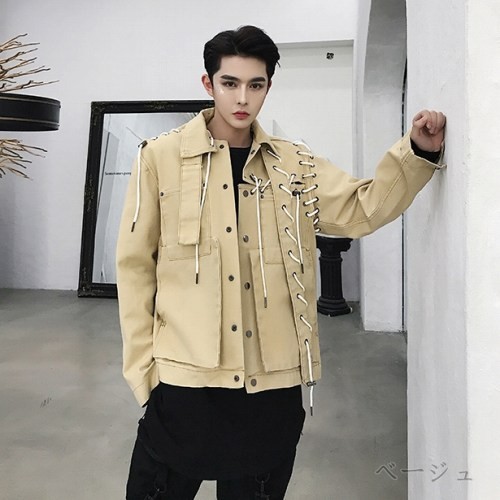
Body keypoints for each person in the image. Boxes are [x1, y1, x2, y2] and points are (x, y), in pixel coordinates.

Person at [116, 25, 446, 500]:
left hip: (270, 388)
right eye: (230, 83)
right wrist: (143, 375)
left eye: (256, 84)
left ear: (268, 86)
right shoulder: (159, 159)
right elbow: (135, 269)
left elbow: (361, 208)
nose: (242, 98)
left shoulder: (295, 165)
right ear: (208, 84)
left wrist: (416, 153)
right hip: (185, 381)